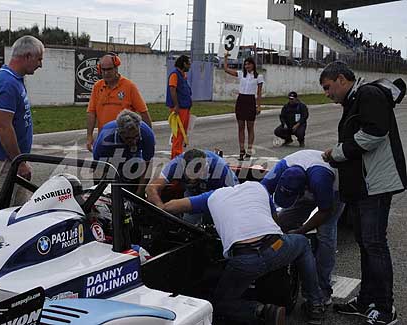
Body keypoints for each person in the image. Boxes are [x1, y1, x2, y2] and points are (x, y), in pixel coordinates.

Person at [161, 181, 325, 325]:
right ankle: (316, 304)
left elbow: (171, 207)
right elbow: (276, 223)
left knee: (218, 304)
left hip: (244, 260)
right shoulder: (258, 187)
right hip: (276, 246)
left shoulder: (211, 196)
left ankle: (262, 312)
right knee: (303, 243)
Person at [320, 61, 406, 325]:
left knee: (374, 245)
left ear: (342, 80)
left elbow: (375, 133)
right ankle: (367, 299)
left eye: (328, 87)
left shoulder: (368, 94)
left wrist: (336, 153)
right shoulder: (356, 99)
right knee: (366, 245)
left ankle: (384, 308)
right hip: (363, 186)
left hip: (375, 185)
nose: (326, 93)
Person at [261, 149, 343, 305]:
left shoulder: (321, 180)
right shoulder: (280, 168)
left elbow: (325, 211)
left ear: (303, 191)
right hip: (308, 179)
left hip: (334, 191)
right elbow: (259, 193)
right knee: (282, 221)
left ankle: (322, 290)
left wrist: (301, 231)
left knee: (325, 234)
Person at [0, 35, 44, 216]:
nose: (40, 64)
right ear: (27, 56)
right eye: (39, 59)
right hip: (3, 162)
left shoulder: (14, 80)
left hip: (10, 161)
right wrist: (20, 162)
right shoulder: (7, 83)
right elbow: (4, 127)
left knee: (18, 215)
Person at [146, 148, 238, 224]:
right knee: (188, 224)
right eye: (190, 178)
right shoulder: (176, 164)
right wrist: (161, 208)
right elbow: (151, 188)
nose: (193, 181)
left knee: (214, 223)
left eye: (197, 178)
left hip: (220, 195)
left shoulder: (221, 168)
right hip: (193, 193)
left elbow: (233, 197)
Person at [87, 53, 152, 152]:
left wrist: (149, 137)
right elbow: (91, 113)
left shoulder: (129, 86)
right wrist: (89, 136)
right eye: (103, 70)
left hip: (126, 142)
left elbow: (143, 112)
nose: (106, 73)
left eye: (109, 69)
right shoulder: (97, 87)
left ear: (116, 68)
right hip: (105, 140)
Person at [93, 110, 155, 196]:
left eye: (136, 136)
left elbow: (148, 164)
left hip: (134, 159)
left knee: (135, 189)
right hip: (111, 158)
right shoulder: (105, 139)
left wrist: (139, 193)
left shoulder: (147, 135)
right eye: (128, 138)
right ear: (119, 133)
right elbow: (98, 169)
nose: (133, 141)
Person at [224, 54, 263, 160]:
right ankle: (241, 150)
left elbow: (259, 93)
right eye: (245, 64)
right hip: (241, 100)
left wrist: (258, 106)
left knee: (250, 127)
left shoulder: (258, 77)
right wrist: (226, 58)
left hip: (250, 101)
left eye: (249, 64)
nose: (247, 66)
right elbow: (226, 69)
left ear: (253, 65)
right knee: (241, 127)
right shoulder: (241, 74)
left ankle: (249, 150)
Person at [166, 55, 192, 159]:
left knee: (183, 133)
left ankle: (179, 154)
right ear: (184, 63)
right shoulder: (174, 75)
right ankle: (175, 157)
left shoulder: (183, 75)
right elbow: (172, 89)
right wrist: (176, 105)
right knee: (178, 134)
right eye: (188, 63)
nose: (189, 66)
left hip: (185, 108)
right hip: (179, 109)